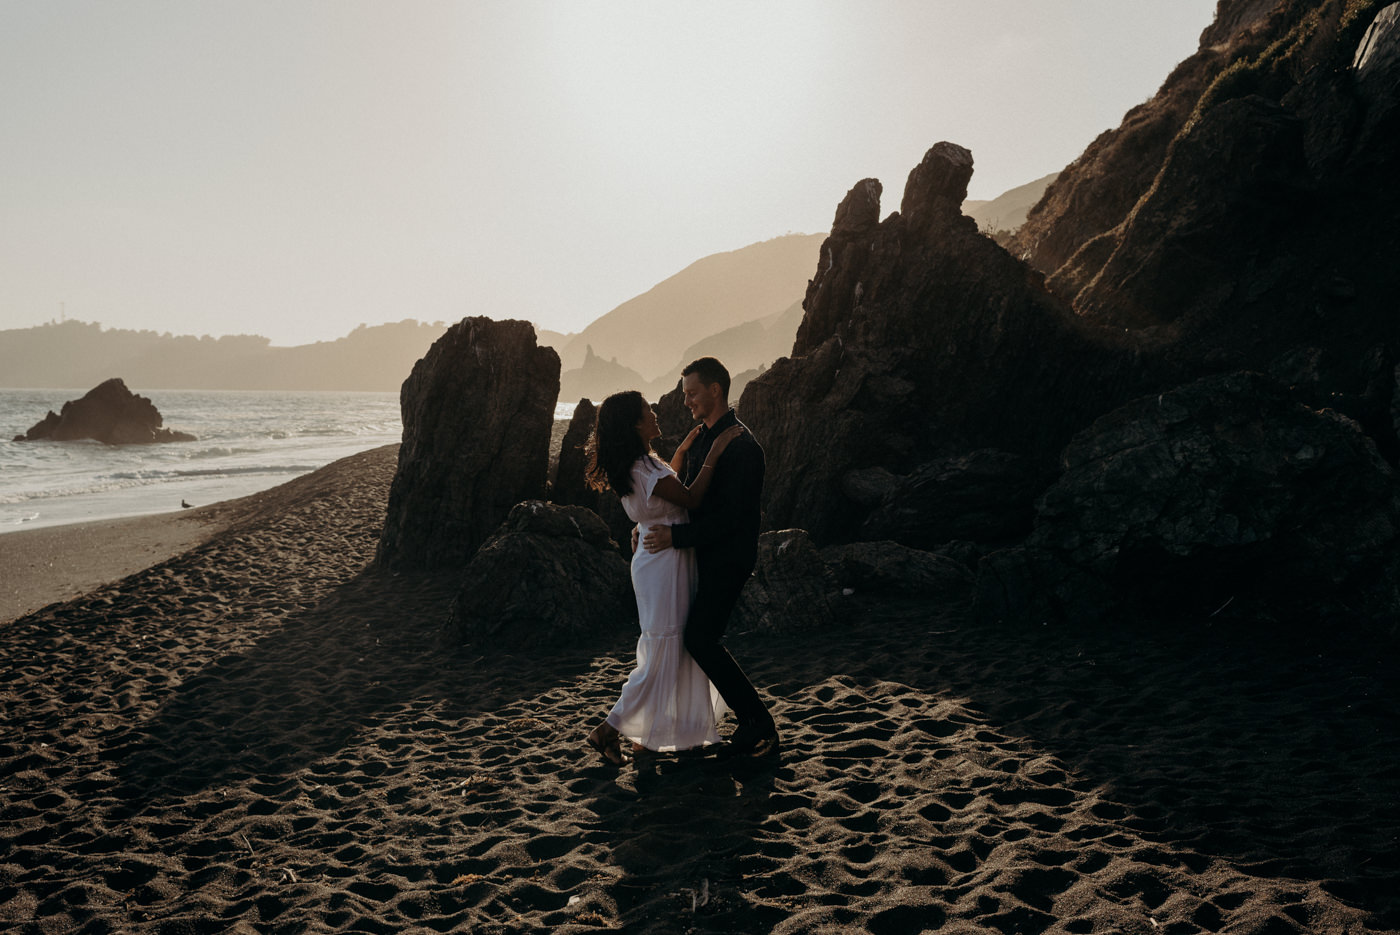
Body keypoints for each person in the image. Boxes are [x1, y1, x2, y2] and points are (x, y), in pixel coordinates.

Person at [583, 390, 743, 765]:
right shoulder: (645, 468)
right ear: (636, 423)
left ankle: (650, 735)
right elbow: (689, 499)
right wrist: (716, 451)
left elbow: (658, 499)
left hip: (657, 559)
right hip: (666, 560)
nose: (655, 413)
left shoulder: (639, 464)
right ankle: (609, 729)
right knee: (664, 650)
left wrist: (684, 451)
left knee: (667, 646)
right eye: (647, 410)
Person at [642, 357, 778, 758]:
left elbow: (731, 520)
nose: (686, 401)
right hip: (700, 554)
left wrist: (674, 537)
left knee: (700, 638)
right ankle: (686, 726)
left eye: (692, 393)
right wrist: (648, 523)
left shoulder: (742, 447)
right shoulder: (704, 437)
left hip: (729, 557)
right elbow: (687, 497)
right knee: (694, 639)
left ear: (715, 390)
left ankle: (758, 721)